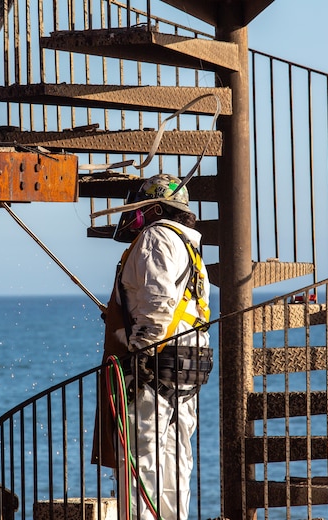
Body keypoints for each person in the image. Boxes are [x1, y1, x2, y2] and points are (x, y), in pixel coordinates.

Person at [91, 173, 213, 520]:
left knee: (141, 462)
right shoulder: (188, 246)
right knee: (175, 462)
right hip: (183, 369)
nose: (135, 216)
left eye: (141, 207)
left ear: (156, 208)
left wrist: (139, 352)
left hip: (154, 368)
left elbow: (158, 305)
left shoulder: (157, 237)